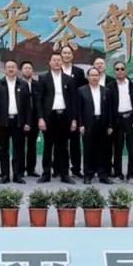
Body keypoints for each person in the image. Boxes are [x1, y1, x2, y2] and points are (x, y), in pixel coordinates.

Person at [37, 53, 76, 184]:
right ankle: (46, 174)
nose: (57, 62)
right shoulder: (43, 78)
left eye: (59, 60)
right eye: (54, 60)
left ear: (62, 62)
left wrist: (73, 119)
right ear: (50, 62)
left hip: (64, 116)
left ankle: (65, 174)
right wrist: (40, 118)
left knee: (63, 147)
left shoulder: (68, 79)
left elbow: (73, 101)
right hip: (49, 117)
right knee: (48, 147)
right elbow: (39, 100)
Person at [0, 59, 31, 184]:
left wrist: (28, 122)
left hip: (18, 122)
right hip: (3, 122)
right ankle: (5, 175)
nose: (10, 69)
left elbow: (28, 106)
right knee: (4, 150)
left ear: (17, 69)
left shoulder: (23, 84)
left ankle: (17, 175)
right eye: (8, 67)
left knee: (18, 150)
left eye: (13, 67)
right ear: (5, 69)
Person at [76, 68, 113, 185]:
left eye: (96, 75)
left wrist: (110, 125)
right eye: (92, 75)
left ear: (99, 77)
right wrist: (80, 125)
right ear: (88, 77)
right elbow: (79, 110)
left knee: (103, 150)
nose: (94, 77)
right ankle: (88, 175)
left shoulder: (106, 91)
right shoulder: (81, 90)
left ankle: (103, 175)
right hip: (88, 124)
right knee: (88, 150)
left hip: (103, 123)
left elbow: (110, 110)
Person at [110, 61, 133, 183]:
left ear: (126, 70)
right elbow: (108, 107)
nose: (120, 71)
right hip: (117, 120)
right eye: (117, 69)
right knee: (117, 149)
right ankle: (118, 174)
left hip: (131, 120)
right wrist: (111, 124)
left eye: (122, 69)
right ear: (114, 71)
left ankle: (131, 175)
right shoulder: (110, 86)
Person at [60, 46, 86, 179]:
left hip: (74, 111)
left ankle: (76, 169)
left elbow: (82, 93)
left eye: (69, 53)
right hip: (59, 112)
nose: (66, 55)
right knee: (60, 143)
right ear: (61, 55)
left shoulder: (79, 72)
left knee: (75, 143)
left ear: (72, 55)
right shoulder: (56, 70)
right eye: (64, 53)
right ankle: (59, 169)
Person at [20, 61, 41, 177]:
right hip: (21, 119)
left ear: (32, 71)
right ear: (21, 71)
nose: (27, 70)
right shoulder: (17, 84)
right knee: (20, 145)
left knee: (32, 145)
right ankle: (20, 169)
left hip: (34, 118)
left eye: (29, 68)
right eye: (25, 68)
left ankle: (31, 169)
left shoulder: (38, 84)